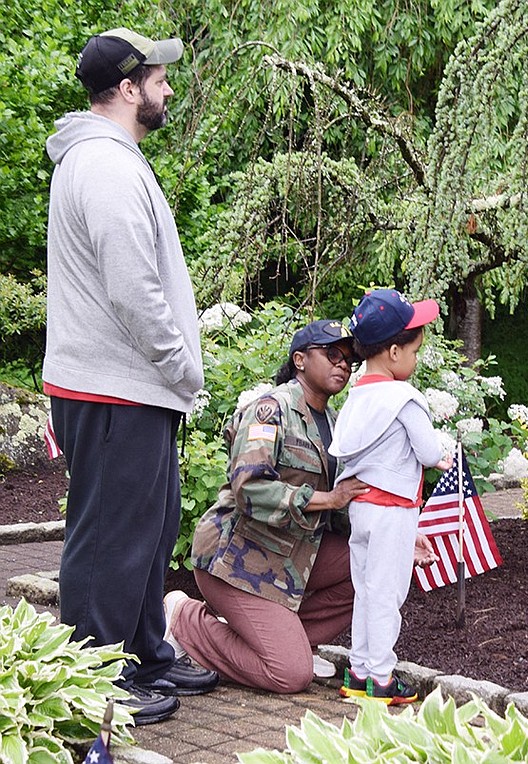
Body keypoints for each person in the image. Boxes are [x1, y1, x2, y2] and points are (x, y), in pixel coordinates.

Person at [43, 27, 218, 725]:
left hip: (130, 388)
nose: (167, 88)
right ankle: (95, 677)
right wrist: (181, 367)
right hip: (116, 386)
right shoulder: (106, 167)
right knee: (110, 535)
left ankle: (146, 652)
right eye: (158, 78)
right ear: (126, 88)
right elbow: (133, 289)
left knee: (148, 527)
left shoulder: (109, 159)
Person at [164, 320, 369, 693]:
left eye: (349, 360)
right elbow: (250, 488)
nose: (343, 364)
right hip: (237, 559)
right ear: (300, 360)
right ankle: (184, 618)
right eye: (332, 354)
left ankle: (288, 642)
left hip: (290, 555)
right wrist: (329, 499)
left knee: (374, 562)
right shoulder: (270, 410)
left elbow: (345, 507)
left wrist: (396, 535)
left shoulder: (338, 425)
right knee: (290, 675)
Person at [329, 288, 452, 703]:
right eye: (415, 351)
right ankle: (381, 678)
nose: (415, 360)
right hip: (393, 511)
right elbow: (430, 452)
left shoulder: (357, 398)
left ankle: (359, 672)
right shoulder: (405, 399)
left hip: (362, 510)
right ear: (394, 352)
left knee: (366, 591)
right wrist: (445, 456)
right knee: (387, 595)